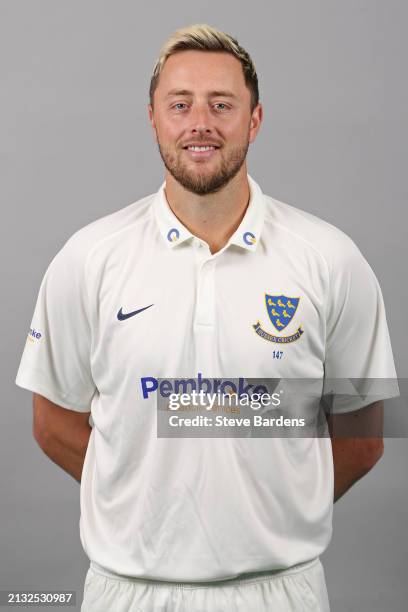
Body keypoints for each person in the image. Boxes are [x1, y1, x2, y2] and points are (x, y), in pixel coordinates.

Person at [15, 23, 397, 612]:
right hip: (127, 592)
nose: (201, 123)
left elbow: (363, 436)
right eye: (180, 104)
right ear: (152, 118)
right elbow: (50, 422)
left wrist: (274, 510)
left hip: (281, 591)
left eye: (222, 104)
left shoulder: (330, 259)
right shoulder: (89, 259)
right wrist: (145, 499)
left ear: (255, 119)